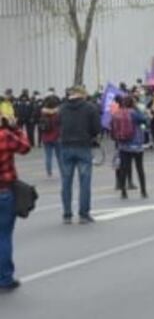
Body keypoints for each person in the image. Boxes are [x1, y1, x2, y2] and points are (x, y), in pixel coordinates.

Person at [57, 86, 101, 225]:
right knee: (84, 182)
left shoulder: (62, 108)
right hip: (83, 146)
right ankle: (83, 214)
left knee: (66, 182)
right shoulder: (90, 108)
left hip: (66, 146)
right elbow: (96, 128)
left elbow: (58, 125)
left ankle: (67, 214)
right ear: (82, 94)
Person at [0, 114, 31, 291]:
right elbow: (25, 147)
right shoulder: (5, 135)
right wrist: (16, 128)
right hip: (4, 190)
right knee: (3, 236)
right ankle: (4, 278)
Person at [113, 95, 149, 199]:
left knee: (124, 168)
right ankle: (143, 191)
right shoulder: (134, 113)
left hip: (123, 144)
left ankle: (123, 191)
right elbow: (145, 120)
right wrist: (138, 109)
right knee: (139, 168)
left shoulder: (118, 113)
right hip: (136, 144)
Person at [37, 92, 61, 178]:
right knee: (59, 156)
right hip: (57, 137)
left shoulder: (43, 113)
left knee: (48, 156)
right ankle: (62, 170)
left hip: (45, 137)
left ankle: (49, 172)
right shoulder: (57, 114)